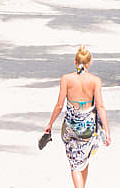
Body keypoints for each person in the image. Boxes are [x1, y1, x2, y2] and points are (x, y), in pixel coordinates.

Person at [44, 45, 111, 187]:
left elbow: (59, 105)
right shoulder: (95, 80)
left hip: (71, 127)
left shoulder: (66, 79)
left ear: (75, 61)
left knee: (75, 164)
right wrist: (107, 131)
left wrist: (50, 124)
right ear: (89, 63)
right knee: (84, 160)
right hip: (88, 128)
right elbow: (100, 106)